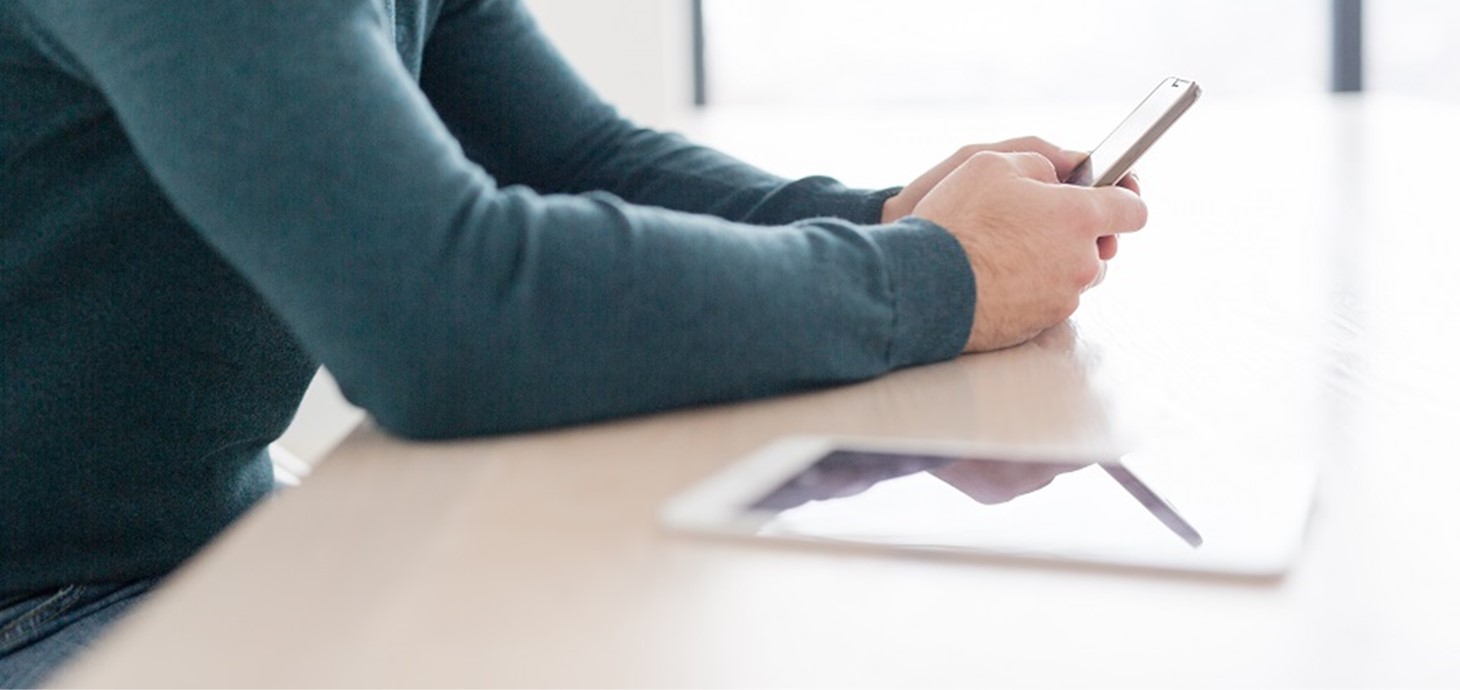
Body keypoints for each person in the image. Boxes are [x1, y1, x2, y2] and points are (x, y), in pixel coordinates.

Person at [0, 0, 1146, 684]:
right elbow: (442, 319)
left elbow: (568, 153)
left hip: (181, 545)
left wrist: (886, 221)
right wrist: (941, 277)